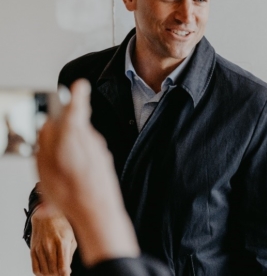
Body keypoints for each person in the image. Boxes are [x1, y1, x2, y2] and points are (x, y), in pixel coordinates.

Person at [24, 0, 267, 276]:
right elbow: (51, 179)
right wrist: (45, 209)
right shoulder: (77, 78)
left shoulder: (252, 105)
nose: (187, 15)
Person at [36, 79, 171, 276]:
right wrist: (45, 209)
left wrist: (95, 217)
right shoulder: (82, 75)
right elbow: (67, 174)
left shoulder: (231, 95)